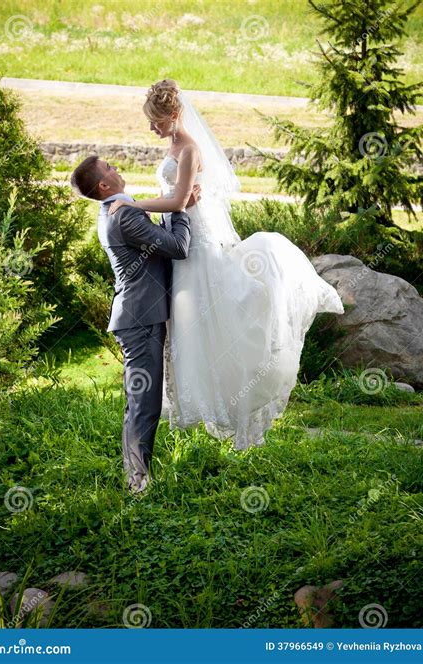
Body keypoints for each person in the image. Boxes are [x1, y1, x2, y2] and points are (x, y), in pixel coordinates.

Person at [108, 79, 345, 451]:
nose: (151, 128)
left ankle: (236, 389)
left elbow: (179, 201)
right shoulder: (172, 145)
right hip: (182, 241)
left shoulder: (188, 149)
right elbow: (175, 197)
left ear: (173, 115)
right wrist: (157, 202)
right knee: (191, 324)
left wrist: (133, 205)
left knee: (215, 315)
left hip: (197, 242)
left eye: (156, 121)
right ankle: (201, 396)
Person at [70, 155, 200, 493]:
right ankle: (137, 482)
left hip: (141, 317)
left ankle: (137, 475)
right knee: (144, 403)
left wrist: (176, 206)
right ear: (103, 185)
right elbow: (178, 248)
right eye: (109, 168)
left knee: (142, 401)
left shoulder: (120, 211)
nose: (116, 168)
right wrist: (180, 210)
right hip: (139, 319)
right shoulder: (124, 215)